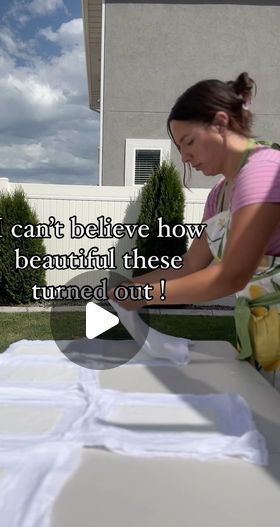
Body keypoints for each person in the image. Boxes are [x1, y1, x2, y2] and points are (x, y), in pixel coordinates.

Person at [108, 72, 280, 372]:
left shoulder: (263, 172)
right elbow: (189, 265)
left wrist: (146, 295)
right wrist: (133, 285)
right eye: (179, 148)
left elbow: (231, 277)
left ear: (221, 123)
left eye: (189, 142)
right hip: (262, 336)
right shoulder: (219, 194)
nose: (185, 157)